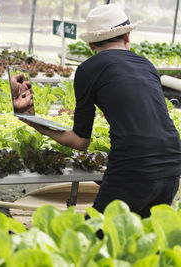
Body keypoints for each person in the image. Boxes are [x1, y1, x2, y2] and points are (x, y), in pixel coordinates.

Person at [21, 4, 181, 218]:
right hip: (172, 164)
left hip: (133, 164)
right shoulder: (147, 65)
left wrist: (33, 122)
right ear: (127, 36)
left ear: (91, 46)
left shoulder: (89, 68)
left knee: (93, 237)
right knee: (138, 239)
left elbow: (80, 141)